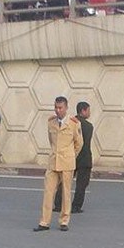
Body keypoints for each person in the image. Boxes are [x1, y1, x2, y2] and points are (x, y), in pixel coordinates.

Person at [34, 96, 83, 232]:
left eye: (60, 108)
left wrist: (70, 155)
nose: (57, 110)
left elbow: (79, 144)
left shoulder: (74, 123)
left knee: (66, 193)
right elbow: (51, 141)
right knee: (48, 192)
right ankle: (44, 222)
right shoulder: (51, 122)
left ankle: (64, 221)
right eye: (56, 107)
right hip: (53, 161)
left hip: (67, 162)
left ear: (66, 108)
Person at [53, 101, 93, 214]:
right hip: (84, 159)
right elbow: (85, 143)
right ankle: (76, 206)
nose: (89, 113)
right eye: (88, 110)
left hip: (70, 157)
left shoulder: (70, 122)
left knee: (64, 182)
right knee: (81, 184)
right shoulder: (89, 126)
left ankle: (58, 204)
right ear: (83, 111)